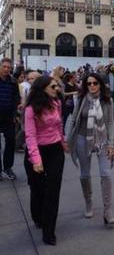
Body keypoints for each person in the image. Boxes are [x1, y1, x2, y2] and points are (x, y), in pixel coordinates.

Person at [65, 73, 114, 226]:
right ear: (85, 85)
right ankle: (88, 203)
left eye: (95, 83)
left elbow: (110, 123)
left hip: (102, 140)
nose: (92, 86)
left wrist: (111, 144)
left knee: (106, 174)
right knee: (84, 174)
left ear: (100, 84)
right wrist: (68, 140)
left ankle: (108, 211)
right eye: (89, 83)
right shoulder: (81, 99)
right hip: (83, 138)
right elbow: (74, 119)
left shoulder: (108, 100)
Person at [24, 76, 66, 245]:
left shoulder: (57, 103)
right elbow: (30, 135)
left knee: (52, 191)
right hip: (37, 152)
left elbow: (58, 125)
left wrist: (63, 142)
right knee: (38, 189)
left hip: (55, 150)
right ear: (42, 89)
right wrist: (36, 159)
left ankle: (49, 232)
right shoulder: (30, 110)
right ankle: (37, 216)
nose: (57, 88)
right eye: (53, 86)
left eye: (57, 86)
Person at [0, 58, 20, 180]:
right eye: (4, 66)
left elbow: (16, 98)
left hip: (8, 116)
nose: (7, 69)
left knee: (11, 141)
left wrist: (15, 115)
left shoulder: (13, 81)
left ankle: (8, 168)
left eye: (9, 67)